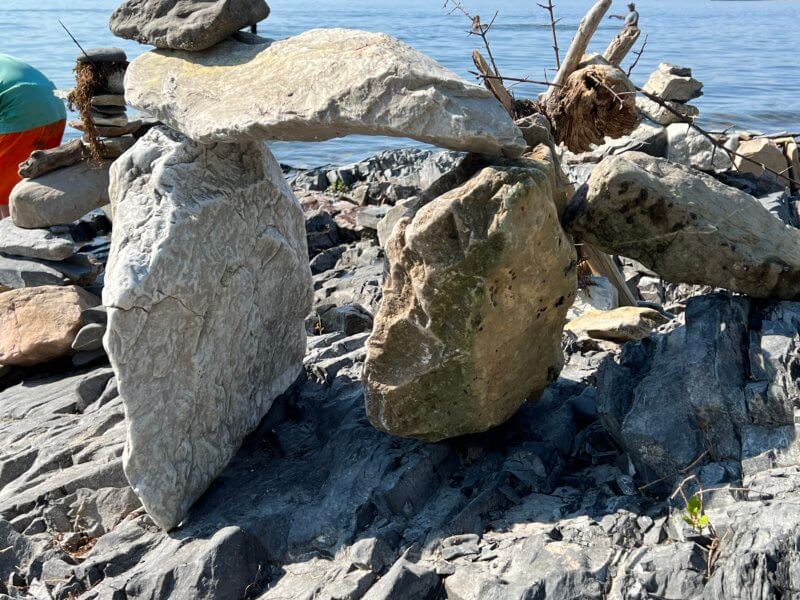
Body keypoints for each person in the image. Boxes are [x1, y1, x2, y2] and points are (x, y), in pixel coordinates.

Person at [0, 54, 66, 218]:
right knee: (37, 178)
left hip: (22, 112)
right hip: (55, 110)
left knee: (4, 190)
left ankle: (12, 237)